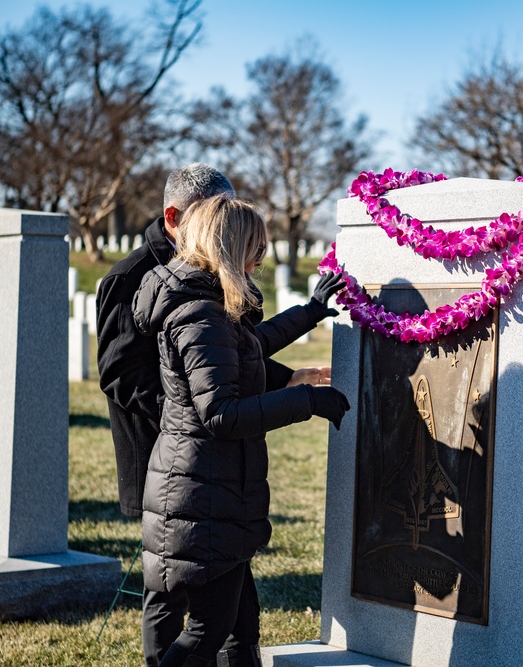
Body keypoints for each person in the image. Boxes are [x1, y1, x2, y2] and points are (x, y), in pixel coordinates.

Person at [96, 163, 344, 667]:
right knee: (206, 628)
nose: (259, 261)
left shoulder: (203, 294)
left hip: (204, 479)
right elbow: (216, 408)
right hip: (194, 477)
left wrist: (309, 312)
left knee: (229, 622)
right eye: (253, 250)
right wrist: (307, 403)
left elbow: (246, 346)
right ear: (226, 244)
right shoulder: (195, 306)